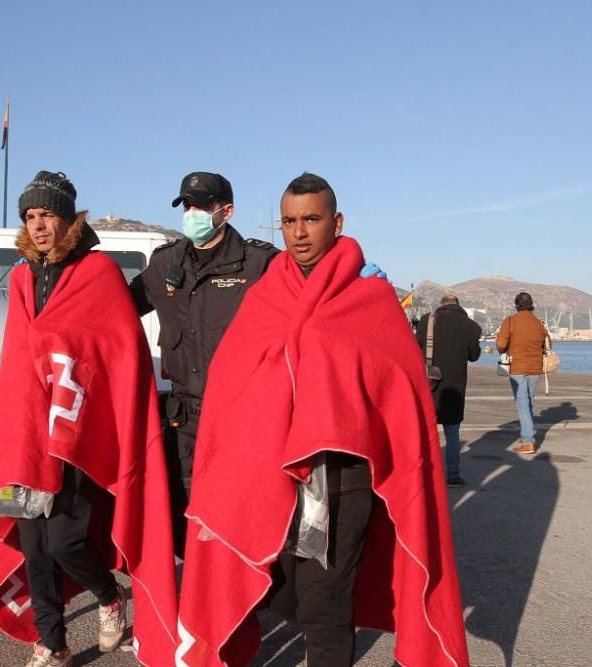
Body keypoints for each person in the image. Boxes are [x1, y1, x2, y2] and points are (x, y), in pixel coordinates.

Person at [175, 173, 469, 667]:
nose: (299, 232)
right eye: (288, 221)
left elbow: (399, 389)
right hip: (270, 473)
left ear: (336, 222)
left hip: (343, 478)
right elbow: (234, 378)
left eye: (311, 219)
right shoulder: (266, 296)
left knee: (325, 603)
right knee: (285, 591)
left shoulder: (369, 298)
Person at [0, 171, 178, 667]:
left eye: (47, 215)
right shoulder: (19, 278)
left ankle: (108, 595)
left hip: (77, 425)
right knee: (34, 545)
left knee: (64, 540)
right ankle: (52, 643)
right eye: (30, 216)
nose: (38, 225)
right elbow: (19, 354)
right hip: (26, 429)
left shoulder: (97, 273)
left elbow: (119, 350)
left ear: (68, 219)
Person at [130, 172, 385, 558]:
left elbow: (312, 288)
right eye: (187, 206)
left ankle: (248, 603)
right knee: (187, 522)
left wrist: (357, 282)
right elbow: (116, 309)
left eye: (201, 206)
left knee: (242, 517)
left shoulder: (260, 262)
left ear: (226, 211)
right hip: (186, 421)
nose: (192, 213)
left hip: (242, 417)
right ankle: (202, 609)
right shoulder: (166, 265)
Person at [415, 292, 483, 486]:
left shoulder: (428, 321)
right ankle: (453, 475)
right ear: (458, 306)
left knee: (426, 433)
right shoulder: (470, 326)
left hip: (428, 384)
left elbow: (415, 347)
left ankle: (424, 475)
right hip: (455, 387)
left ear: (441, 305)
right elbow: (474, 355)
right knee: (452, 433)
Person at [495, 291, 550, 454]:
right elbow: (547, 343)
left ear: (517, 305)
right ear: (531, 304)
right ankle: (527, 434)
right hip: (535, 367)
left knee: (522, 403)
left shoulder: (511, 321)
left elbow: (500, 344)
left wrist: (505, 348)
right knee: (529, 402)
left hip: (518, 366)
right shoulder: (538, 322)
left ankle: (528, 441)